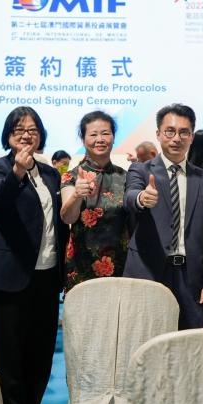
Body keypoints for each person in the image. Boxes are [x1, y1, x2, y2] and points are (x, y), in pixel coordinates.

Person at [0, 107, 69, 404]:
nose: (26, 134)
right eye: (19, 129)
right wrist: (17, 171)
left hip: (47, 274)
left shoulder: (50, 174)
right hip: (11, 274)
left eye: (32, 129)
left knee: (41, 350)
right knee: (11, 351)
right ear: (8, 136)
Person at [124, 104, 203, 329]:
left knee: (188, 342)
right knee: (145, 337)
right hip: (148, 272)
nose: (176, 138)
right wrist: (142, 198)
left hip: (191, 277)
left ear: (191, 137)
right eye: (170, 131)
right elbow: (130, 197)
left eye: (183, 132)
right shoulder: (141, 170)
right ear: (159, 134)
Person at [60, 111, 130, 291]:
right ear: (83, 140)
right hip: (81, 265)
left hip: (120, 264)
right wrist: (76, 195)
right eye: (93, 134)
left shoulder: (125, 176)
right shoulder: (71, 176)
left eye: (105, 133)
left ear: (113, 138)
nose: (100, 139)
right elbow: (67, 217)